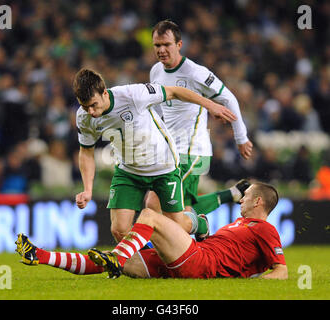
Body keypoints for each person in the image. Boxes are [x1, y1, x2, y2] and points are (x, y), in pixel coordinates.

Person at [73, 68, 237, 242]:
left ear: (104, 93)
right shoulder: (83, 117)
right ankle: (146, 266)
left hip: (163, 167)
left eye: (93, 105)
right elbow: (86, 152)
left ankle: (200, 223)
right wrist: (88, 190)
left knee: (176, 225)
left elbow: (174, 91)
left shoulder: (133, 95)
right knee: (119, 230)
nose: (90, 111)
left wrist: (210, 105)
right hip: (128, 171)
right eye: (85, 106)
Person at [145, 20, 253, 219]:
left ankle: (191, 231)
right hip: (169, 152)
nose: (161, 50)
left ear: (179, 45)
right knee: (181, 211)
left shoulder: (195, 72)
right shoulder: (156, 71)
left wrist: (241, 137)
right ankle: (229, 197)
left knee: (155, 205)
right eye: (157, 45)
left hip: (192, 152)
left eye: (166, 45)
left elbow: (228, 98)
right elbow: (159, 108)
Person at [88, 181, 288, 280]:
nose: (242, 200)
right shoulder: (239, 223)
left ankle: (124, 255)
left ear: (258, 201)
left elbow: (282, 271)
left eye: (245, 196)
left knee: (149, 215)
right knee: (108, 257)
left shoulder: (265, 229)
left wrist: (253, 283)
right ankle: (55, 259)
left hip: (200, 261)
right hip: (197, 255)